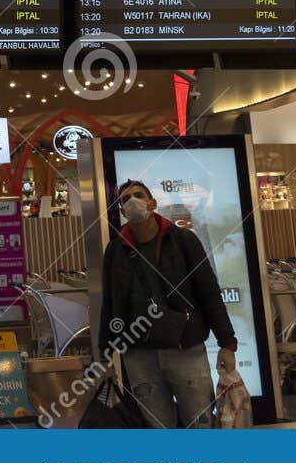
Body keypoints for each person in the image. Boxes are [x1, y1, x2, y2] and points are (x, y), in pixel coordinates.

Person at [98, 179, 238, 429]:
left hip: (185, 349)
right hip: (139, 354)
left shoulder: (183, 240)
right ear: (121, 211)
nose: (132, 202)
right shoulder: (116, 249)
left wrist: (227, 343)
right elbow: (110, 303)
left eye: (138, 195)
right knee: (158, 427)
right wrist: (106, 355)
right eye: (125, 200)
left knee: (201, 423)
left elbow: (208, 291)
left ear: (152, 203)